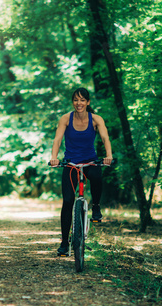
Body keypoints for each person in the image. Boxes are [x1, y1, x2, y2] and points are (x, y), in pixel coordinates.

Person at [50, 88, 113, 256]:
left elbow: (105, 138)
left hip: (90, 161)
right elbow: (57, 139)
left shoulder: (96, 119)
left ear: (88, 102)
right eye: (76, 100)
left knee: (97, 177)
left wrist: (109, 156)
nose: (79, 103)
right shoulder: (65, 119)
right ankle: (64, 243)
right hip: (71, 163)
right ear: (73, 102)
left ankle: (96, 207)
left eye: (82, 100)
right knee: (68, 201)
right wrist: (54, 157)